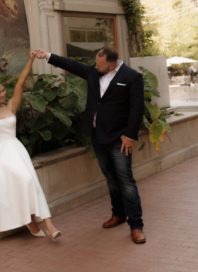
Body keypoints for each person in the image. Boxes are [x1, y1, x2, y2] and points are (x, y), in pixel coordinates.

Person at [35, 46, 146, 244]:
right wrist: (48, 56)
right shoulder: (94, 71)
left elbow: (137, 108)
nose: (95, 66)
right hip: (97, 135)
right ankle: (118, 214)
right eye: (95, 62)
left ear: (112, 65)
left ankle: (136, 225)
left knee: (126, 180)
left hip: (120, 138)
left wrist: (130, 135)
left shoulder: (132, 77)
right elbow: (72, 65)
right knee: (111, 178)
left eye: (100, 64)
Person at [0, 51, 61, 241]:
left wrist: (30, 59)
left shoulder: (11, 106)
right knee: (24, 180)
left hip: (16, 150)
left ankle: (48, 224)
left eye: (4, 91)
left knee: (32, 181)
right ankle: (30, 221)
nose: (4, 94)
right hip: (0, 154)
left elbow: (21, 82)